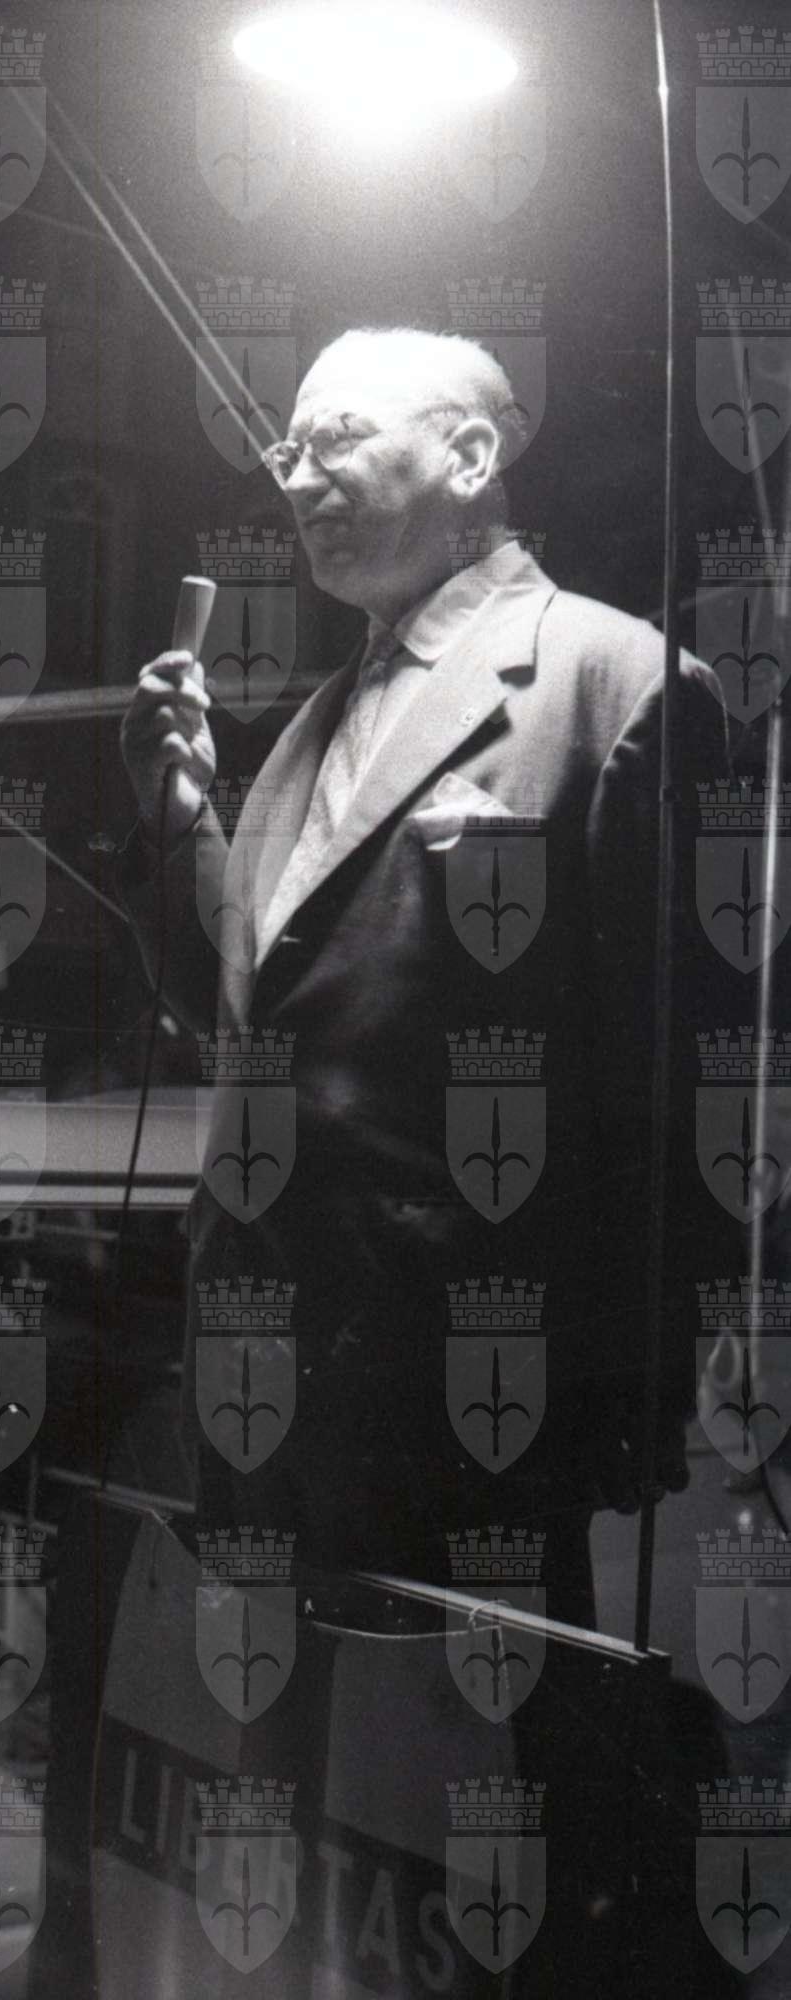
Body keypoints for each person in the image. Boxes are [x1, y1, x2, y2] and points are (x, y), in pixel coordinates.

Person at [118, 326, 737, 1625]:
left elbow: (676, 1082)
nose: (298, 478)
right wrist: (178, 814)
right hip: (257, 1388)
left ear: (467, 454)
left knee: (475, 1748)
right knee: (275, 1747)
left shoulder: (616, 686)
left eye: (336, 439)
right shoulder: (315, 727)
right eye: (287, 452)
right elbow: (245, 1011)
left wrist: (632, 1384)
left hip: (463, 1402)